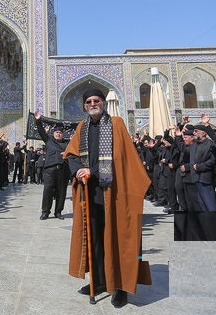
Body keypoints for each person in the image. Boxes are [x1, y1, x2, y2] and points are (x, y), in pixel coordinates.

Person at [65, 88, 152, 308]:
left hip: (114, 193)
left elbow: (120, 157)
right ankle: (100, 281)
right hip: (90, 193)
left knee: (119, 238)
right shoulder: (81, 127)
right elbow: (72, 153)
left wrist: (91, 170)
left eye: (96, 100)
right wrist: (78, 171)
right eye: (89, 101)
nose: (93, 103)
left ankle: (121, 287)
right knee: (95, 240)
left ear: (103, 102)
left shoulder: (117, 124)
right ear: (84, 105)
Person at [34, 111, 68, 220]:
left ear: (62, 134)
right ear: (53, 133)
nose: (58, 134)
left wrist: (67, 155)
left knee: (61, 192)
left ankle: (58, 212)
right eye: (56, 132)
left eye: (60, 132)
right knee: (48, 190)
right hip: (49, 170)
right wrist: (38, 120)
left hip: (62, 170)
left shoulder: (67, 144)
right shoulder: (48, 141)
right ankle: (45, 212)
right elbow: (40, 131)